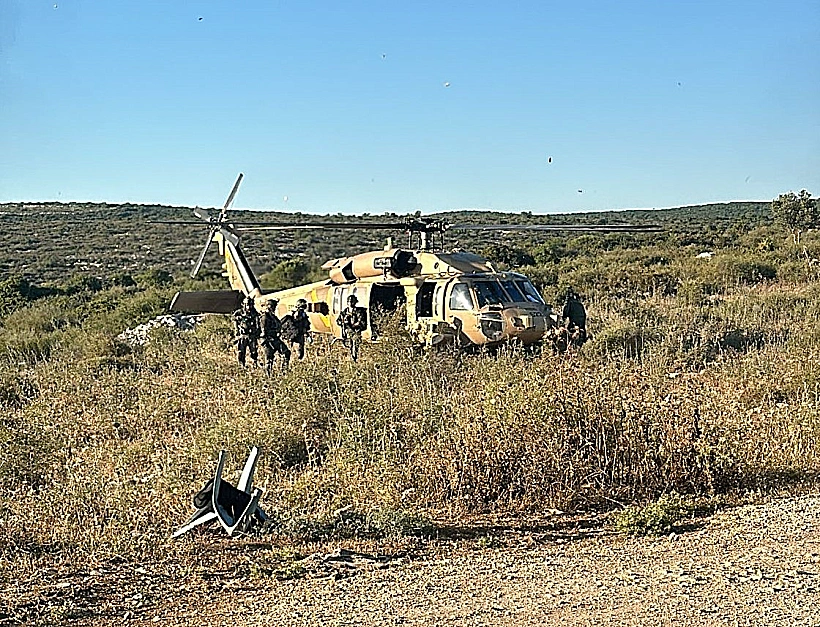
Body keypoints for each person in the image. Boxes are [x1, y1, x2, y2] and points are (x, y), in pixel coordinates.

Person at [260, 299, 291, 374]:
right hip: (268, 340)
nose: (274, 308)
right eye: (273, 306)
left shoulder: (273, 317)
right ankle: (268, 376)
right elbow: (264, 331)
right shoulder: (265, 317)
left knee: (286, 353)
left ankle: (284, 371)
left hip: (275, 339)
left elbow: (279, 325)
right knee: (269, 359)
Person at [337, 294, 367, 361]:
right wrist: (343, 322)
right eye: (349, 301)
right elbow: (338, 321)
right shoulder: (345, 312)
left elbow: (361, 322)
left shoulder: (358, 311)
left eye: (352, 301)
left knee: (355, 346)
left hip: (355, 331)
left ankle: (355, 359)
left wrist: (352, 325)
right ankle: (352, 358)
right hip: (347, 332)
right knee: (350, 346)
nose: (350, 303)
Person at [233, 295, 260, 366]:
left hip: (252, 335)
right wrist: (237, 332)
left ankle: (254, 364)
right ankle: (241, 365)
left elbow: (258, 323)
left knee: (254, 352)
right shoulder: (239, 313)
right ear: (244, 305)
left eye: (251, 305)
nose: (249, 307)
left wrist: (257, 332)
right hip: (242, 335)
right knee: (241, 352)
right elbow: (235, 321)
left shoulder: (254, 313)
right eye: (247, 305)